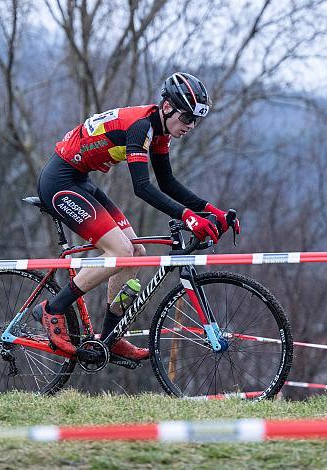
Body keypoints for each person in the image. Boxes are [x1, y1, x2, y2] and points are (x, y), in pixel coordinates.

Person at [34, 72, 240, 361]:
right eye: (186, 118)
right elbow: (142, 188)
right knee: (119, 250)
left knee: (136, 252)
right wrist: (189, 217)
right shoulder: (141, 127)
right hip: (59, 182)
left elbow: (167, 183)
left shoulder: (159, 132)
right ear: (167, 107)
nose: (190, 126)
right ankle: (52, 309)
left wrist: (210, 210)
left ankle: (110, 337)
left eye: (195, 121)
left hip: (79, 179)